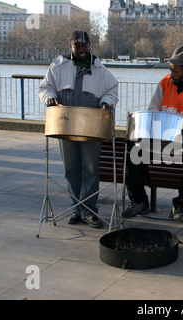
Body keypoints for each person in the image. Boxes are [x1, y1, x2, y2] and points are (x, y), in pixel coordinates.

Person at [39, 30, 119, 228]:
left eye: (84, 45)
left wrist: (107, 103)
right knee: (71, 169)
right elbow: (45, 87)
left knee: (91, 170)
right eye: (77, 45)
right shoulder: (58, 67)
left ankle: (89, 211)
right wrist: (49, 97)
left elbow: (112, 90)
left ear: (90, 45)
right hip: (65, 124)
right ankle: (76, 208)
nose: (81, 49)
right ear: (71, 46)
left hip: (91, 127)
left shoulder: (100, 70)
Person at [122, 44, 183, 222]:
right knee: (133, 150)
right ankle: (139, 202)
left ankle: (180, 206)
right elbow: (153, 108)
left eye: (176, 71)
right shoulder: (165, 82)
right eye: (171, 70)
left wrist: (182, 126)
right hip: (158, 138)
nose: (172, 74)